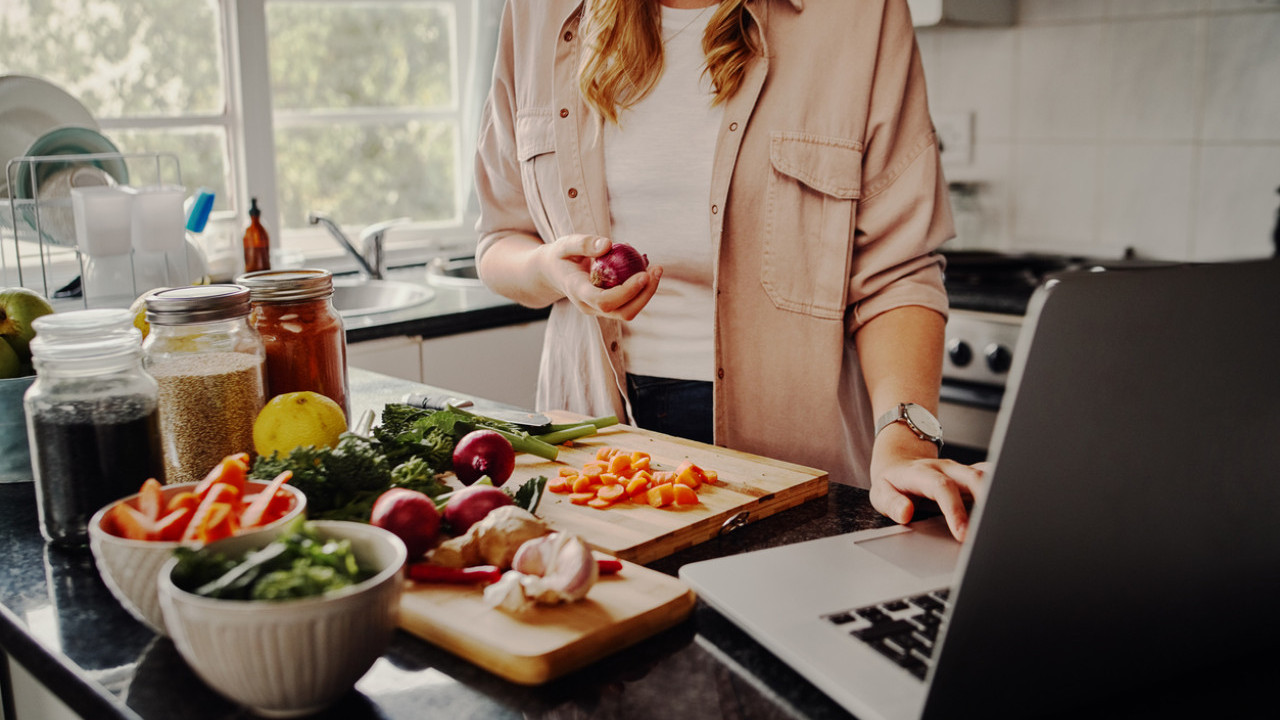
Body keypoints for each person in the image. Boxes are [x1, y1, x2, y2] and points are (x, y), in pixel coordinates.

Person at [473, 0, 986, 540]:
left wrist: (903, 443)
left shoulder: (860, 14)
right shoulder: (536, 12)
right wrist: (549, 270)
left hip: (796, 465)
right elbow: (500, 240)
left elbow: (896, 270)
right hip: (593, 454)